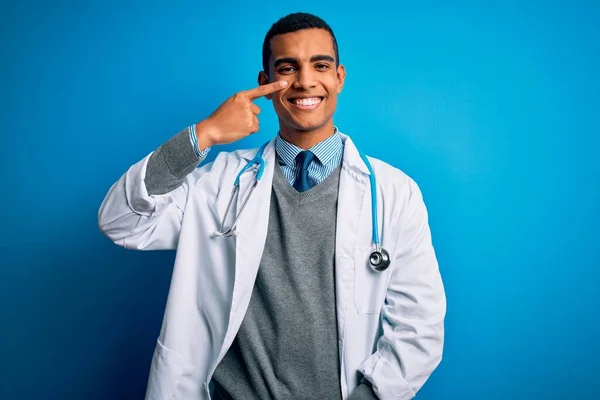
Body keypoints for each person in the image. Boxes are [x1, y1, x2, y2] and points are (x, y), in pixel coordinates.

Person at [98, 12, 446, 400]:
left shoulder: (394, 193)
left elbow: (420, 326)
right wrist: (205, 134)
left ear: (339, 77)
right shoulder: (220, 181)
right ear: (265, 83)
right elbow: (122, 221)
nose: (305, 81)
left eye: (320, 65)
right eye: (287, 68)